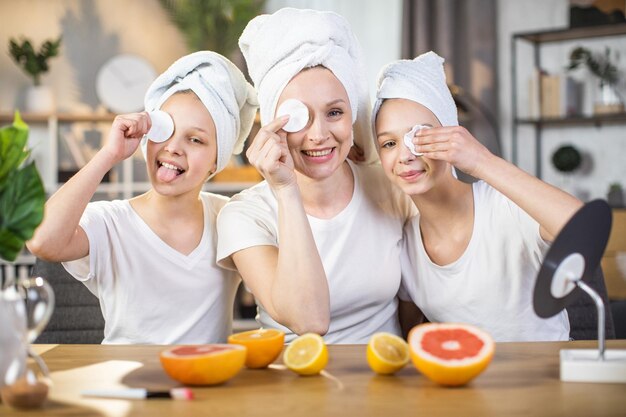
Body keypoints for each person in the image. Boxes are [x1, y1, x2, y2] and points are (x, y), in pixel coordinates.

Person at [27, 51, 258, 344]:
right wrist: (109, 154)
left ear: (217, 161)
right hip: (124, 382)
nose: (173, 147)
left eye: (195, 139)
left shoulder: (230, 219)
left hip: (204, 382)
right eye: (166, 130)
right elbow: (41, 241)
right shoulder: (111, 221)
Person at [216, 8, 415, 344]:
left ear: (352, 115)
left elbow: (414, 310)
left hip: (384, 375)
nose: (319, 134)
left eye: (334, 112)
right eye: (298, 117)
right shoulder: (244, 215)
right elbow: (308, 320)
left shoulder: (392, 187)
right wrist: (285, 189)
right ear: (273, 124)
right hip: (292, 380)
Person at [371, 51, 583, 342]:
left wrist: (481, 160)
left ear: (452, 137)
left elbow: (581, 227)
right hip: (467, 380)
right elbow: (410, 337)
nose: (405, 155)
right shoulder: (405, 243)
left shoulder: (503, 207)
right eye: (389, 143)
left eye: (420, 136)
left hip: (544, 378)